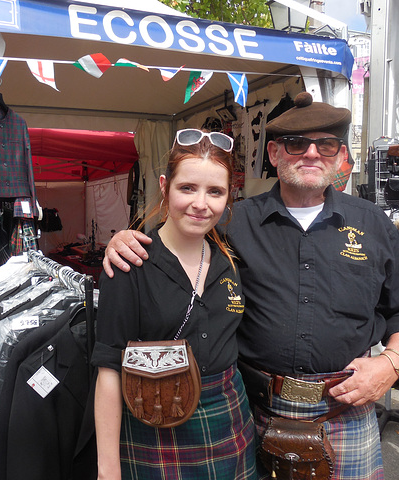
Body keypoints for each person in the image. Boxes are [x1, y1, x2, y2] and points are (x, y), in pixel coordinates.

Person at [103, 92, 399, 480]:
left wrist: (391, 364)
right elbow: (180, 233)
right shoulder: (231, 223)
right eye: (296, 144)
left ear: (341, 156)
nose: (311, 154)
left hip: (345, 408)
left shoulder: (373, 224)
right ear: (273, 153)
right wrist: (125, 238)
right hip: (254, 410)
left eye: (326, 145)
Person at [91, 129, 258, 480]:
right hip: (154, 423)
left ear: (229, 197)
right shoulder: (128, 264)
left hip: (229, 422)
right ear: (165, 187)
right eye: (188, 188)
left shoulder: (231, 258)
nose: (201, 204)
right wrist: (108, 470)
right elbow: (108, 370)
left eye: (215, 191)